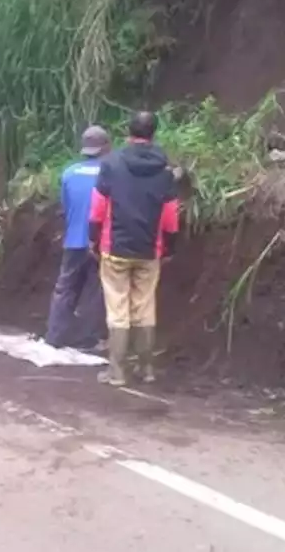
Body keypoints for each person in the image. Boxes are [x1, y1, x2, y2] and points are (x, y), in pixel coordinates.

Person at [89, 111, 180, 387]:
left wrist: (93, 240)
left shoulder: (112, 164)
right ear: (153, 134)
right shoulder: (165, 170)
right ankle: (147, 369)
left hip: (115, 246)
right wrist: (169, 248)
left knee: (118, 307)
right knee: (144, 306)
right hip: (149, 249)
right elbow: (171, 216)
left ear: (129, 133)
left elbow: (97, 209)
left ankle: (117, 371)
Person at [44, 125, 110, 352]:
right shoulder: (110, 172)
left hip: (73, 240)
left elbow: (65, 206)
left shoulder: (69, 173)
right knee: (94, 289)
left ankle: (55, 335)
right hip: (99, 242)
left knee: (65, 288)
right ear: (106, 146)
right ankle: (87, 339)